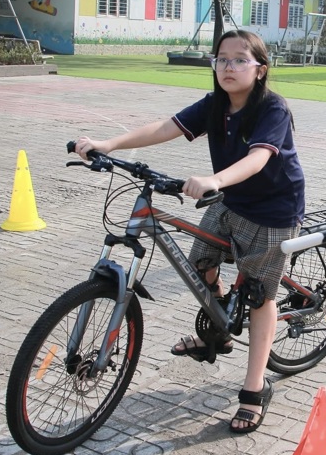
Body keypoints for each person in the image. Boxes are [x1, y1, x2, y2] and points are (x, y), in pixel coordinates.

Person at [74, 29, 305, 433]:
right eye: (221, 59)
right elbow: (167, 127)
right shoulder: (215, 104)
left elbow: (257, 159)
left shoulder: (272, 109)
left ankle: (255, 389)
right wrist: (109, 144)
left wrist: (215, 179)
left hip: (272, 210)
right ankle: (220, 331)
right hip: (231, 201)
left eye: (239, 59)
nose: (228, 66)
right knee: (199, 262)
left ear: (261, 69)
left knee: (257, 295)